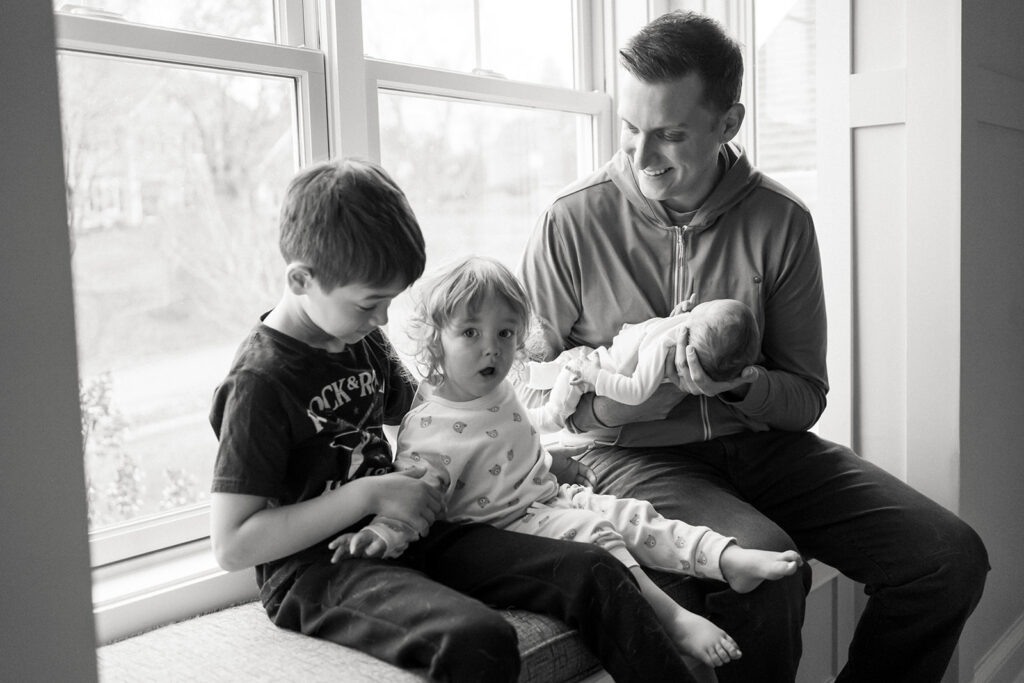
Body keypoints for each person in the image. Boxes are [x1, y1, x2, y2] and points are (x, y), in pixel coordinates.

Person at [518, 11, 989, 683]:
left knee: (947, 557)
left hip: (768, 448)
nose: (642, 156)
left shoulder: (781, 221)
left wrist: (738, 386)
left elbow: (805, 398)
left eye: (671, 134)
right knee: (764, 574)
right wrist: (619, 410)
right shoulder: (571, 220)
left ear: (728, 123)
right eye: (631, 128)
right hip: (638, 461)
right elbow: (526, 393)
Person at [208, 158, 708, 682]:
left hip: (416, 526)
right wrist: (370, 496)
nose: (381, 321)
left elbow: (442, 415)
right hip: (322, 568)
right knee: (480, 639)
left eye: (388, 304)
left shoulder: (357, 338)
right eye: (369, 304)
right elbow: (233, 544)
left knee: (593, 567)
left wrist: (527, 459)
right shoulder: (260, 383)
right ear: (301, 279)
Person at [332, 256, 802, 669]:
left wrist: (553, 461)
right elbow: (414, 497)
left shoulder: (495, 388)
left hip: (544, 496)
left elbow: (513, 440)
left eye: (505, 332)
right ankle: (674, 619)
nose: (491, 347)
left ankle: (727, 557)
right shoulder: (432, 422)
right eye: (470, 333)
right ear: (435, 342)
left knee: (632, 515)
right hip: (505, 527)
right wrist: (382, 535)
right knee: (598, 537)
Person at [525, 297, 758, 435]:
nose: (706, 303)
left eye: (708, 308)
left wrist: (594, 376)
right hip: (605, 356)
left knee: (571, 372)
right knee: (569, 359)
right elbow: (663, 328)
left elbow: (636, 391)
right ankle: (529, 376)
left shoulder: (666, 347)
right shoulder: (686, 328)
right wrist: (676, 314)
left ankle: (548, 419)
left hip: (607, 371)